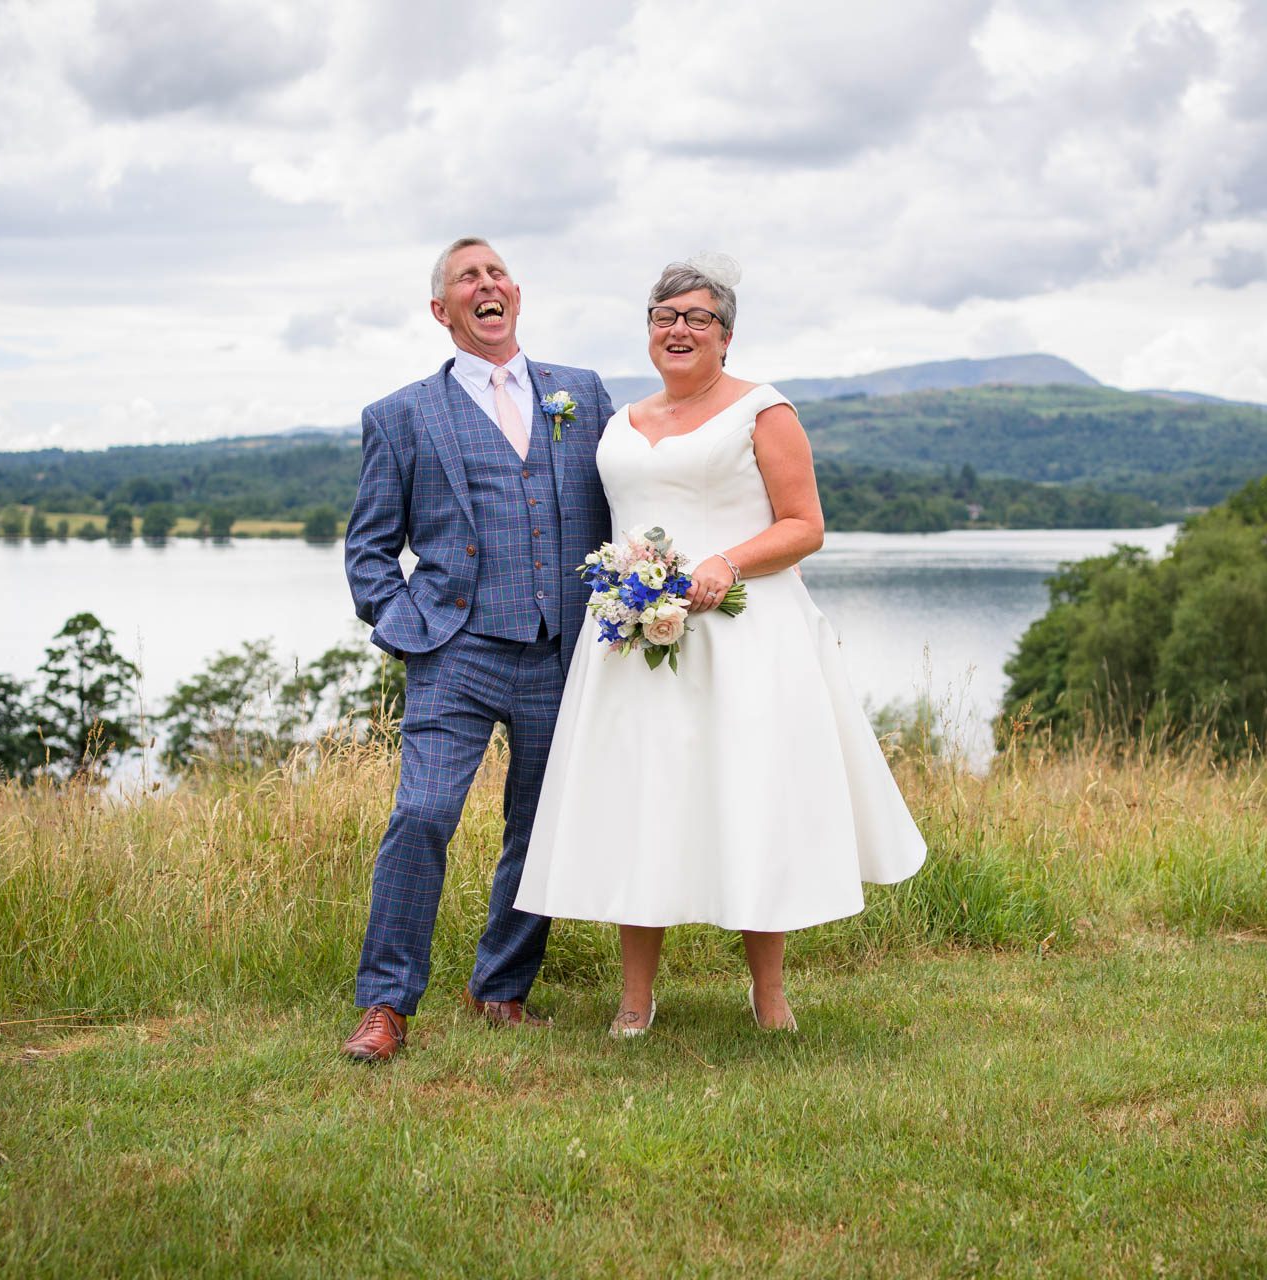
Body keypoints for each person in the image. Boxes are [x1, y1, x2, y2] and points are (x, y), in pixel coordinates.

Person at [514, 254, 927, 1035]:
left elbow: (806, 525)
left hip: (745, 637)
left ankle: (769, 995)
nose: (679, 329)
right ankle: (635, 999)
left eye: (697, 317)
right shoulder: (618, 423)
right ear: (647, 333)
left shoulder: (763, 412)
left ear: (726, 336)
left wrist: (724, 561)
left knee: (750, 801)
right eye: (664, 317)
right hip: (635, 645)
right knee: (644, 804)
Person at [339, 237, 614, 1063]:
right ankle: (385, 1005)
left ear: (516, 295)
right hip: (453, 649)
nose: (486, 285)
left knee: (539, 826)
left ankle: (501, 988)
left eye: (496, 273)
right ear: (442, 309)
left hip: (559, 648)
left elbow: (622, 503)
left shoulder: (584, 394)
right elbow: (368, 549)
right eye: (468, 277)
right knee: (421, 815)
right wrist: (403, 623)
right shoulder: (400, 415)